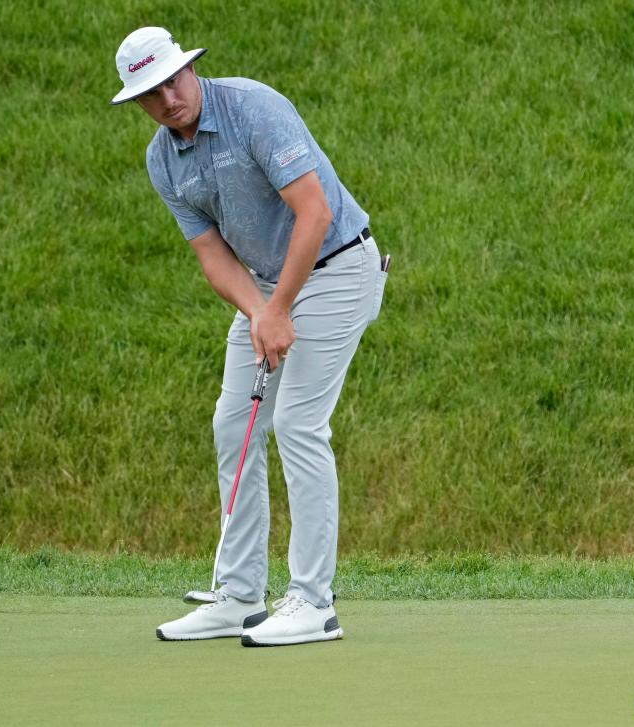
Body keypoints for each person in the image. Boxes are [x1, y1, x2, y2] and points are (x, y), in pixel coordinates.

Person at [110, 27, 387, 646]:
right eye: (150, 95)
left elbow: (313, 211)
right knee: (234, 423)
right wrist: (263, 312)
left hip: (339, 266)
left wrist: (279, 308)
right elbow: (213, 256)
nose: (168, 100)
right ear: (138, 102)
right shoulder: (161, 160)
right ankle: (238, 596)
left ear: (189, 70)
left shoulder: (253, 107)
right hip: (267, 288)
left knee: (297, 423)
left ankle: (315, 603)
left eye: (172, 82)